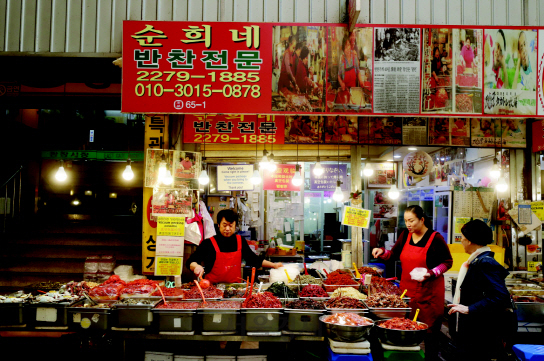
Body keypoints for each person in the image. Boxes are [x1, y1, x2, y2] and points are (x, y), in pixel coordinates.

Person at [372, 205, 453, 361]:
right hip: (407, 292)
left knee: (429, 334)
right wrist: (382, 252)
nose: (408, 224)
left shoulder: (435, 238)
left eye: (412, 221)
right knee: (405, 329)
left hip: (429, 294)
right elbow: (393, 254)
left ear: (422, 220)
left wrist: (430, 273)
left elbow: (447, 262)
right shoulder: (405, 235)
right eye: (406, 221)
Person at [447, 220, 514, 361]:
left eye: (463, 239)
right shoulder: (477, 260)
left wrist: (469, 309)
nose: (462, 242)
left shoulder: (485, 262)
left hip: (480, 332)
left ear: (470, 241)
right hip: (474, 330)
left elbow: (500, 296)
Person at [187, 209, 282, 283]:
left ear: (235, 225)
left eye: (231, 225)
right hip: (212, 288)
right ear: (219, 225)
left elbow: (253, 259)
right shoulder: (208, 243)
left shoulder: (240, 241)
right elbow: (190, 261)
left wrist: (273, 265)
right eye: (224, 225)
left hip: (235, 288)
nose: (227, 228)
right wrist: (196, 267)